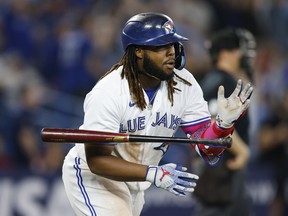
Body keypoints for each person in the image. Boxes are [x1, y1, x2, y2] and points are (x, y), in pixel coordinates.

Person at [61, 13, 253, 216]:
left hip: (136, 180)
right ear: (139, 52)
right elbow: (97, 160)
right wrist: (152, 173)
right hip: (95, 177)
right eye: (161, 46)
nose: (171, 52)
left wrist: (222, 125)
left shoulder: (184, 84)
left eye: (172, 44)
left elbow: (206, 150)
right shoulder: (109, 91)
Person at [192, 27, 257, 216]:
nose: (243, 56)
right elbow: (213, 121)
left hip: (222, 163)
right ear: (225, 53)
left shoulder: (216, 79)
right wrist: (242, 151)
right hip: (222, 166)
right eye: (239, 50)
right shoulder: (221, 81)